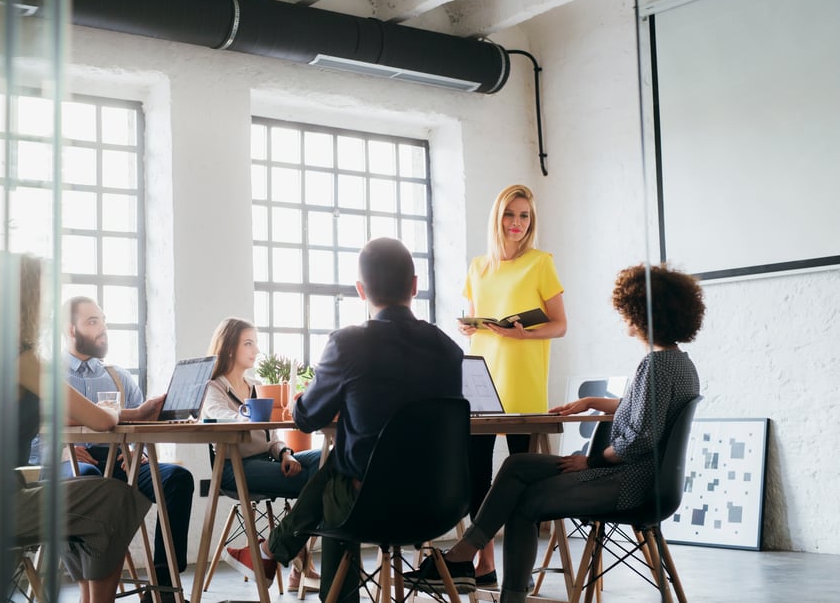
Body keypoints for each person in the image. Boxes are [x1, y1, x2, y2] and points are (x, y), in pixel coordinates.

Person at [408, 263, 705, 603]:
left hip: (629, 483)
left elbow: (640, 437)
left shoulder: (654, 365)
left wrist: (589, 461)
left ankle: (494, 584)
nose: (623, 318)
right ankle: (465, 554)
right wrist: (592, 401)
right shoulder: (679, 363)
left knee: (526, 502)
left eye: (625, 312)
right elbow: (646, 408)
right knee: (518, 464)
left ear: (640, 315)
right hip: (645, 479)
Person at [223, 237, 464, 603]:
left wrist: (310, 399)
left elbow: (305, 419)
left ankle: (294, 567)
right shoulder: (450, 350)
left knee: (338, 471)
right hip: (441, 503)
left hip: (371, 505)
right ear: (415, 286)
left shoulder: (350, 344)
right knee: (341, 467)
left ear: (360, 290)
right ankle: (271, 554)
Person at [0, 252, 162, 603]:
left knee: (85, 496)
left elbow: (49, 413)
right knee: (112, 498)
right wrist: (128, 414)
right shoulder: (18, 356)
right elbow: (101, 419)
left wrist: (132, 413)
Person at [459, 184, 568, 587]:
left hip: (523, 381)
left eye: (524, 216)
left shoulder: (541, 263)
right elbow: (475, 321)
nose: (517, 223)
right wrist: (467, 324)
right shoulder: (478, 267)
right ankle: (483, 558)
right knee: (477, 474)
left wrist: (526, 336)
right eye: (510, 215)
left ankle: (518, 573)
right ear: (498, 218)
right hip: (482, 381)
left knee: (520, 474)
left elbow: (560, 324)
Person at [54, 296, 196, 603]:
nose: (103, 329)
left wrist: (135, 449)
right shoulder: (49, 375)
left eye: (103, 321)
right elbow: (37, 427)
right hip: (69, 461)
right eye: (92, 322)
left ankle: (163, 587)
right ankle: (88, 589)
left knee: (178, 479)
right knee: (89, 480)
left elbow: (139, 426)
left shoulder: (118, 376)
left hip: (119, 460)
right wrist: (61, 450)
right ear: (70, 329)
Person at [203, 317, 323, 589]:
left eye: (255, 343)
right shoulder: (213, 387)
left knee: (326, 461)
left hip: (269, 461)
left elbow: (273, 438)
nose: (256, 350)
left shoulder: (256, 385)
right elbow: (219, 416)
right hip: (236, 467)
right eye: (248, 343)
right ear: (230, 348)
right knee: (323, 482)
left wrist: (286, 454)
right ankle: (287, 556)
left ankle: (275, 552)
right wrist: (248, 415)